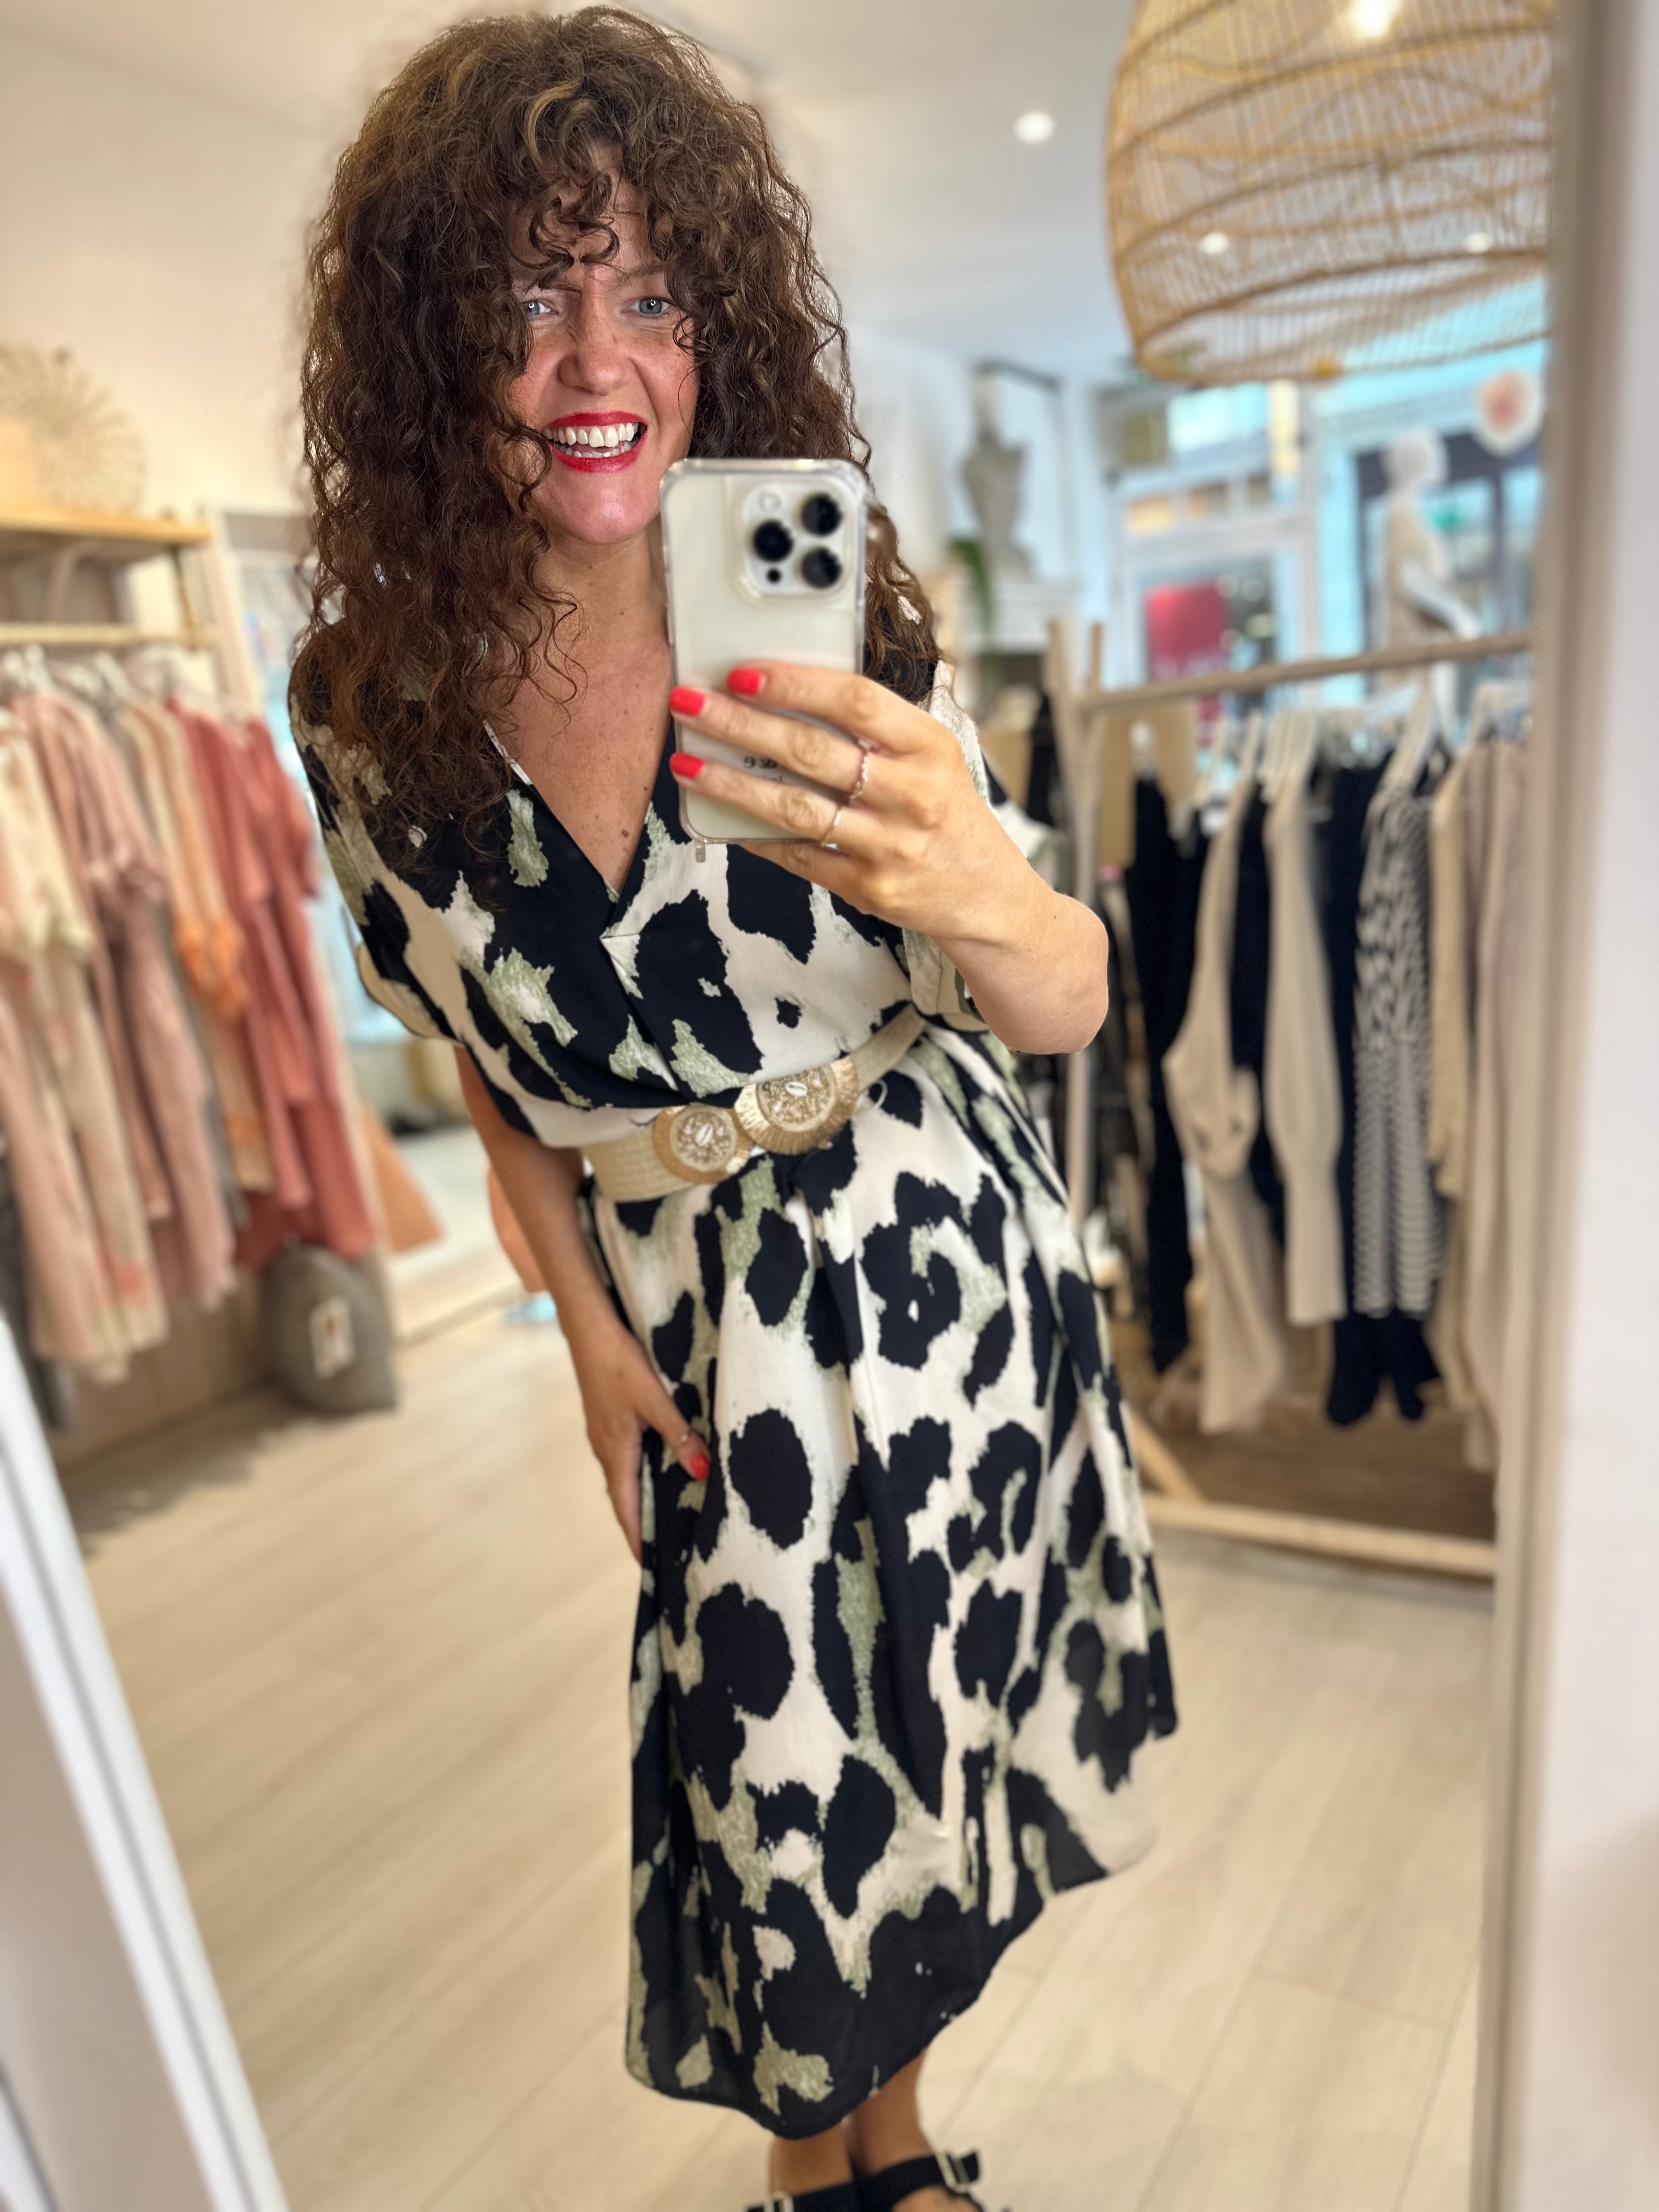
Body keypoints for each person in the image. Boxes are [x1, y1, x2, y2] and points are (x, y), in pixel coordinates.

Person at [292, 14, 1175, 2209]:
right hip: (709, 1351)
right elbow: (486, 1068)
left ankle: (895, 2152)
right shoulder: (375, 719)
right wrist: (586, 1337)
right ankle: (821, 2176)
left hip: (952, 1283)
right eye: (528, 293)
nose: (600, 361)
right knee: (781, 1785)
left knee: (939, 1742)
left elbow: (1065, 999)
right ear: (427, 337)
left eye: (655, 294)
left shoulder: (831, 611)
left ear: (717, 331)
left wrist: (975, 875)